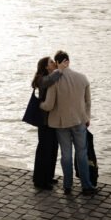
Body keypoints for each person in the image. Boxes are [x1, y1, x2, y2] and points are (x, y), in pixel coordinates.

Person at [40, 51, 97, 195]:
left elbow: (49, 105)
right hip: (79, 121)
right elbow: (88, 101)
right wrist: (87, 117)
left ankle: (67, 185)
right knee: (82, 153)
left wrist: (40, 105)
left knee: (66, 155)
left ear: (58, 63)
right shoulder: (82, 78)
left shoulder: (55, 81)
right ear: (68, 61)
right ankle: (86, 185)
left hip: (61, 124)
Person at [31, 56, 68, 190]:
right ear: (46, 67)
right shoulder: (42, 79)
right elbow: (50, 80)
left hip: (51, 120)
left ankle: (47, 177)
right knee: (45, 150)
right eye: (51, 62)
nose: (54, 63)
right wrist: (60, 69)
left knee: (52, 148)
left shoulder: (49, 76)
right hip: (44, 121)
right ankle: (40, 180)